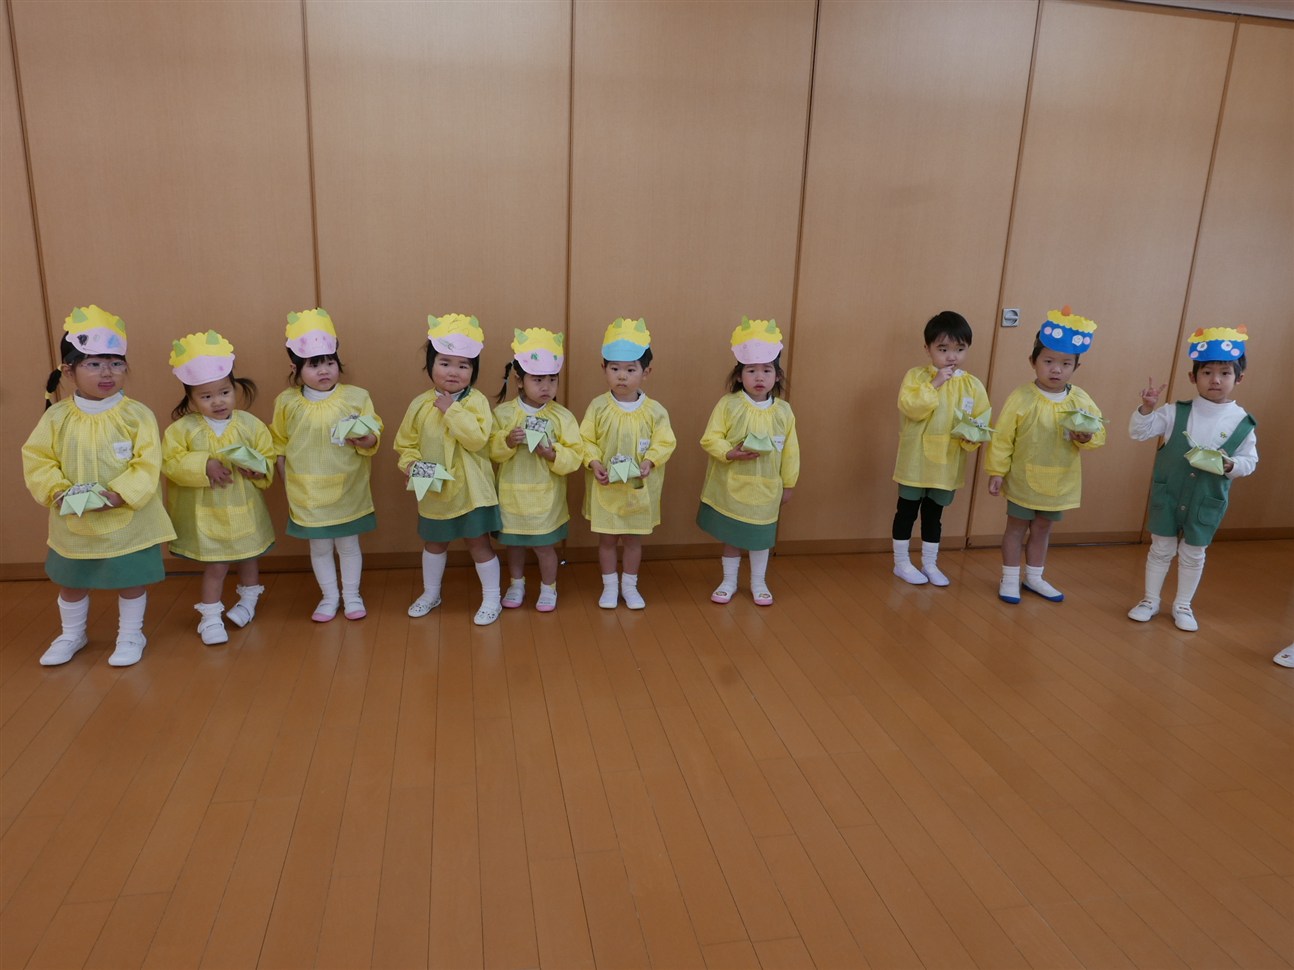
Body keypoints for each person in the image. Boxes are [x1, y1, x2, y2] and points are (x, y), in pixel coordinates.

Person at [22, 306, 176, 667]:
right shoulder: (56, 416)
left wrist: (120, 495)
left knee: (131, 578)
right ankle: (72, 633)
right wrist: (56, 490)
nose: (107, 372)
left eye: (116, 363)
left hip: (127, 520)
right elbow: (38, 458)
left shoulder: (137, 414)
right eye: (93, 364)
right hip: (74, 519)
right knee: (72, 580)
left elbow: (148, 462)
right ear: (68, 371)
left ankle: (131, 634)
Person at [1127, 326, 1257, 632]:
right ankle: (1149, 600)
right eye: (1207, 372)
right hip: (1169, 494)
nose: (1215, 380)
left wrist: (1231, 465)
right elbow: (1139, 432)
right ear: (1193, 377)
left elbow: (1250, 461)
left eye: (1225, 373)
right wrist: (1147, 409)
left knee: (1194, 553)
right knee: (1161, 548)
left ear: (1239, 378)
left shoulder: (1242, 422)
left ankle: (1183, 605)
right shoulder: (1175, 412)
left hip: (1206, 500)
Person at [986, 307, 1105, 604]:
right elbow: (1002, 437)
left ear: (1076, 366)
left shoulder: (1080, 399)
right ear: (1033, 361)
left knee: (1042, 528)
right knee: (1016, 528)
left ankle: (1035, 577)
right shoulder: (1021, 397)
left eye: (1065, 364)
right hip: (1023, 479)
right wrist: (997, 471)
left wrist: (1087, 438)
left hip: (1058, 481)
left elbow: (1098, 431)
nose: (1056, 370)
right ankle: (1009, 578)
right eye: (1048, 361)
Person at [162, 331, 275, 645]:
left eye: (224, 392)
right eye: (206, 396)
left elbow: (267, 456)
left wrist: (258, 469)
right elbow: (170, 462)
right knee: (217, 565)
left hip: (244, 509)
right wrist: (204, 465)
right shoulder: (182, 430)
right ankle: (210, 616)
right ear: (191, 400)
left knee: (249, 556)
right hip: (207, 515)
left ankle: (248, 602)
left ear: (234, 389)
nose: (218, 401)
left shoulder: (250, 425)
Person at [270, 308, 381, 622]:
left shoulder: (357, 397)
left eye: (330, 362)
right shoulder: (286, 402)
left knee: (348, 544)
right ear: (295, 368)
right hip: (307, 493)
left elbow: (374, 433)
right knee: (319, 547)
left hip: (347, 489)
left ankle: (352, 594)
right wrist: (285, 478)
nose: (324, 371)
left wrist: (367, 440)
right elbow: (278, 443)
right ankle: (330, 596)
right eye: (314, 364)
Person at [396, 314, 503, 626]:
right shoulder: (419, 404)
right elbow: (405, 443)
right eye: (445, 363)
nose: (453, 372)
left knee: (478, 543)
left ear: (473, 371)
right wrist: (409, 463)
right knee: (434, 544)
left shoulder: (477, 402)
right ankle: (431, 593)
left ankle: (492, 598)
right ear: (431, 365)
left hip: (472, 491)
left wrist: (452, 410)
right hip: (435, 491)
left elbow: (477, 439)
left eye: (463, 365)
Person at [697, 317, 799, 605]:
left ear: (777, 376)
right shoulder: (728, 405)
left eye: (767, 370)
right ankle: (729, 581)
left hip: (767, 488)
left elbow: (791, 451)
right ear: (740, 375)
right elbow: (710, 438)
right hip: (731, 485)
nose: (759, 377)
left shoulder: (784, 412)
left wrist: (789, 483)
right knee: (733, 535)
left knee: (760, 538)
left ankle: (758, 582)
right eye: (751, 370)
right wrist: (729, 452)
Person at [580, 317, 676, 609]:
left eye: (630, 369)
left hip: (638, 491)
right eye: (615, 369)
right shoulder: (598, 407)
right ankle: (610, 587)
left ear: (646, 372)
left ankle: (630, 586)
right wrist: (593, 462)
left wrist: (651, 461)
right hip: (606, 487)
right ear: (604, 369)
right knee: (607, 540)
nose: (622, 376)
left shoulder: (655, 411)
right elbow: (585, 439)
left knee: (633, 540)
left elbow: (665, 442)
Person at [891, 310, 990, 586]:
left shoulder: (972, 385)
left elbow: (980, 420)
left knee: (934, 515)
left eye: (959, 349)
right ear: (928, 349)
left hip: (946, 463)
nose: (951, 356)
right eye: (943, 349)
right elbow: (911, 408)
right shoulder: (916, 377)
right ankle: (901, 563)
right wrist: (935, 383)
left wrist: (972, 439)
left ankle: (930, 564)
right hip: (915, 461)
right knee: (906, 511)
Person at [489, 327, 582, 612]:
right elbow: (490, 449)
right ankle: (516, 584)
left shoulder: (562, 416)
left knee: (544, 547)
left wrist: (553, 454)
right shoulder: (504, 413)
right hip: (511, 495)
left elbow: (575, 454)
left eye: (552, 380)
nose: (546, 387)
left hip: (546, 498)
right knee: (514, 545)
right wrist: (507, 441)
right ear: (519, 381)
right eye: (538, 380)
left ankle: (548, 587)